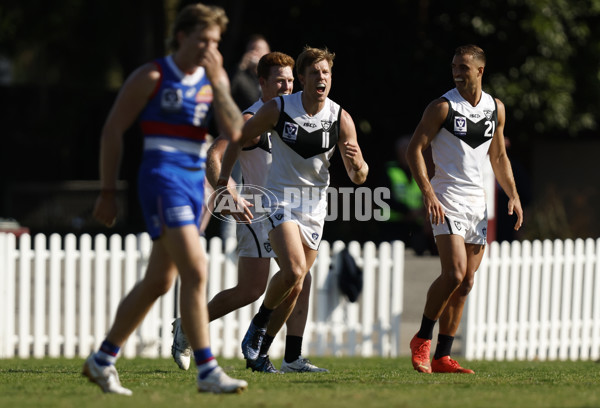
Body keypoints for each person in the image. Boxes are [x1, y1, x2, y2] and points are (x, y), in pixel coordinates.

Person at [85, 3, 247, 395]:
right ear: (181, 36)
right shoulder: (153, 75)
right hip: (161, 178)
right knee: (196, 268)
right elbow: (112, 131)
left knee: (160, 280)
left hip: (194, 184)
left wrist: (218, 81)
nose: (208, 48)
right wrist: (108, 191)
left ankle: (102, 359)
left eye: (215, 42)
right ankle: (207, 369)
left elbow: (237, 131)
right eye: (202, 40)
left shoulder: (214, 77)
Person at [171, 51, 328, 374]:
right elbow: (214, 156)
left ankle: (289, 357)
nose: (286, 87)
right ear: (262, 84)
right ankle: (188, 325)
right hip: (257, 214)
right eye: (279, 81)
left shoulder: (297, 113)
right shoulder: (250, 119)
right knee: (251, 290)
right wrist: (227, 194)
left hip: (291, 212)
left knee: (300, 279)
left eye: (289, 80)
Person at [217, 46, 369, 367]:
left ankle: (266, 350)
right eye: (314, 73)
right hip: (279, 198)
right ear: (301, 78)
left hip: (314, 207)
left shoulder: (340, 118)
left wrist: (358, 166)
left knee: (296, 283)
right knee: (295, 269)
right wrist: (222, 183)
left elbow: (359, 176)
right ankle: (259, 324)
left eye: (326, 72)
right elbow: (235, 140)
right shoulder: (279, 108)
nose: (321, 78)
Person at [406, 44, 523, 374]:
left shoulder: (495, 108)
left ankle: (443, 356)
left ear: (480, 71)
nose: (457, 72)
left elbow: (498, 157)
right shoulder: (442, 107)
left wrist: (512, 195)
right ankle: (422, 340)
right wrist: (427, 192)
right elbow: (414, 150)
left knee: (467, 282)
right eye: (454, 66)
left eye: (463, 67)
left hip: (478, 203)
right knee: (454, 273)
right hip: (447, 199)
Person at [380, 135, 433, 254]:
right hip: (393, 225)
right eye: (403, 150)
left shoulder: (421, 171)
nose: (406, 154)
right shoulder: (390, 170)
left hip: (416, 225)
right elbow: (384, 197)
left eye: (409, 150)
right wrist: (408, 211)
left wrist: (422, 212)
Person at [230, 34, 271, 110]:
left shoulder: (273, 76)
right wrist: (241, 66)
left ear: (268, 53)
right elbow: (229, 91)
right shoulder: (240, 75)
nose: (254, 52)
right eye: (251, 49)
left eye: (258, 49)